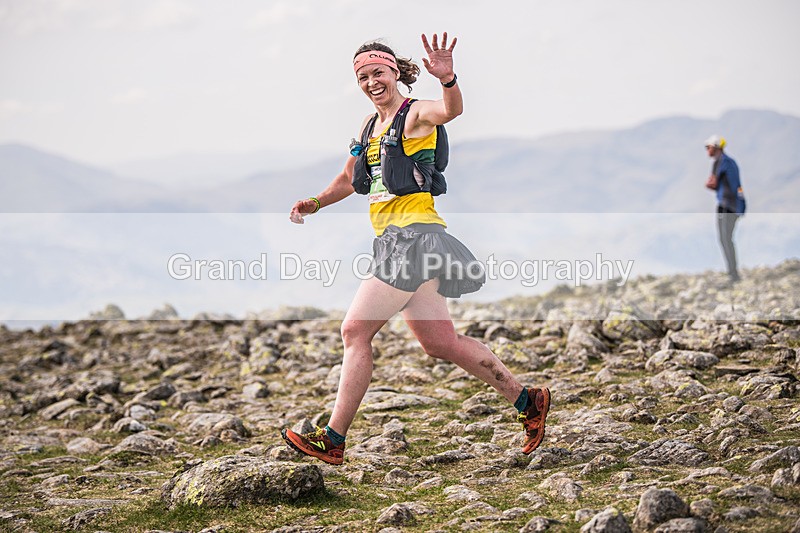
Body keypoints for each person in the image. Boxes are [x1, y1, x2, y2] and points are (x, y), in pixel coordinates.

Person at [281, 33, 550, 465]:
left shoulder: (415, 114)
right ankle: (527, 400)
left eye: (378, 73)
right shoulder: (369, 129)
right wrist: (313, 203)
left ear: (395, 73)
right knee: (440, 342)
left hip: (414, 238)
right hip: (401, 241)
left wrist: (448, 79)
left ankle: (333, 438)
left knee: (354, 332)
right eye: (363, 76)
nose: (372, 81)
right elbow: (349, 181)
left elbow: (451, 110)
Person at [704, 134, 745, 283]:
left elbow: (735, 186)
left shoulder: (727, 163)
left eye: (708, 147)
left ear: (715, 147)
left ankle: (733, 274)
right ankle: (732, 273)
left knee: (726, 239)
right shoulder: (718, 163)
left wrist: (739, 206)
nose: (707, 150)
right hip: (724, 205)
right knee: (724, 239)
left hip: (730, 206)